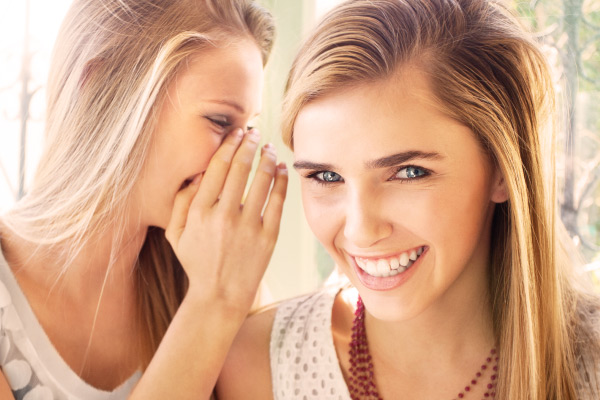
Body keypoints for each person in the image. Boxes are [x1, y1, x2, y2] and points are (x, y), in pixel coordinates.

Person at [216, 0, 600, 398]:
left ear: (502, 169)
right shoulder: (256, 365)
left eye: (409, 172)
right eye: (326, 176)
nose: (361, 231)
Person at [0, 0, 288, 399]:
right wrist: (213, 303)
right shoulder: (215, 291)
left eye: (249, 130)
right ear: (102, 89)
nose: (242, 160)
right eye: (221, 122)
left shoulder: (209, 275)